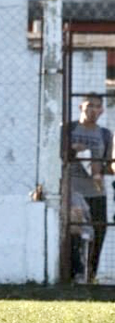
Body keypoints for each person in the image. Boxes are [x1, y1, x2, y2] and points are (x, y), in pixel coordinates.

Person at [62, 94, 112, 282]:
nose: (93, 110)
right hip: (73, 191)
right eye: (90, 105)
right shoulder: (68, 129)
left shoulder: (105, 134)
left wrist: (100, 167)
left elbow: (109, 165)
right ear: (81, 106)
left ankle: (91, 276)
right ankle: (71, 274)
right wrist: (73, 149)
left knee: (98, 233)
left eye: (98, 106)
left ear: (102, 110)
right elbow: (56, 155)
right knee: (74, 233)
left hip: (96, 192)